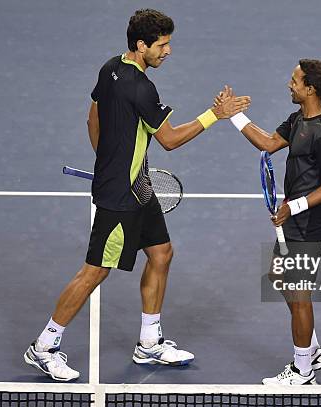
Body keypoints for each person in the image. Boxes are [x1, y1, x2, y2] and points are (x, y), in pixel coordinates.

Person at [23, 8, 251, 381]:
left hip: (137, 188)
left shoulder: (110, 66)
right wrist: (215, 114)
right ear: (141, 45)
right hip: (120, 198)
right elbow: (171, 139)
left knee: (161, 253)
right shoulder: (141, 88)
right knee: (93, 272)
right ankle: (44, 347)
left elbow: (92, 116)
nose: (168, 52)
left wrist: (105, 160)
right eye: (162, 45)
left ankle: (149, 343)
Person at [222, 59, 321, 385]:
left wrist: (294, 206)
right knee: (280, 275)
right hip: (294, 218)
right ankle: (313, 347)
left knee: (299, 294)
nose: (289, 84)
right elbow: (268, 143)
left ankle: (303, 370)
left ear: (310, 88)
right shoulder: (298, 119)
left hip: (310, 223)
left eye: (295, 80)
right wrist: (233, 115)